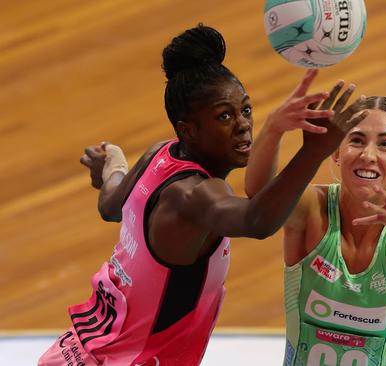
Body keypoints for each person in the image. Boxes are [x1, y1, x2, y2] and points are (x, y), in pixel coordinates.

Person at [38, 24, 367, 366]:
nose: (242, 124)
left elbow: (111, 205)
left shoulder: (160, 155)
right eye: (224, 116)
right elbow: (256, 221)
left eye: (246, 110)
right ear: (188, 130)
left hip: (74, 353)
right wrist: (313, 152)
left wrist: (110, 165)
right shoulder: (197, 194)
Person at [245, 95, 386, 365]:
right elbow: (258, 194)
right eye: (356, 140)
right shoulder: (312, 209)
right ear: (336, 153)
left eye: (385, 144)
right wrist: (274, 127)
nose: (368, 155)